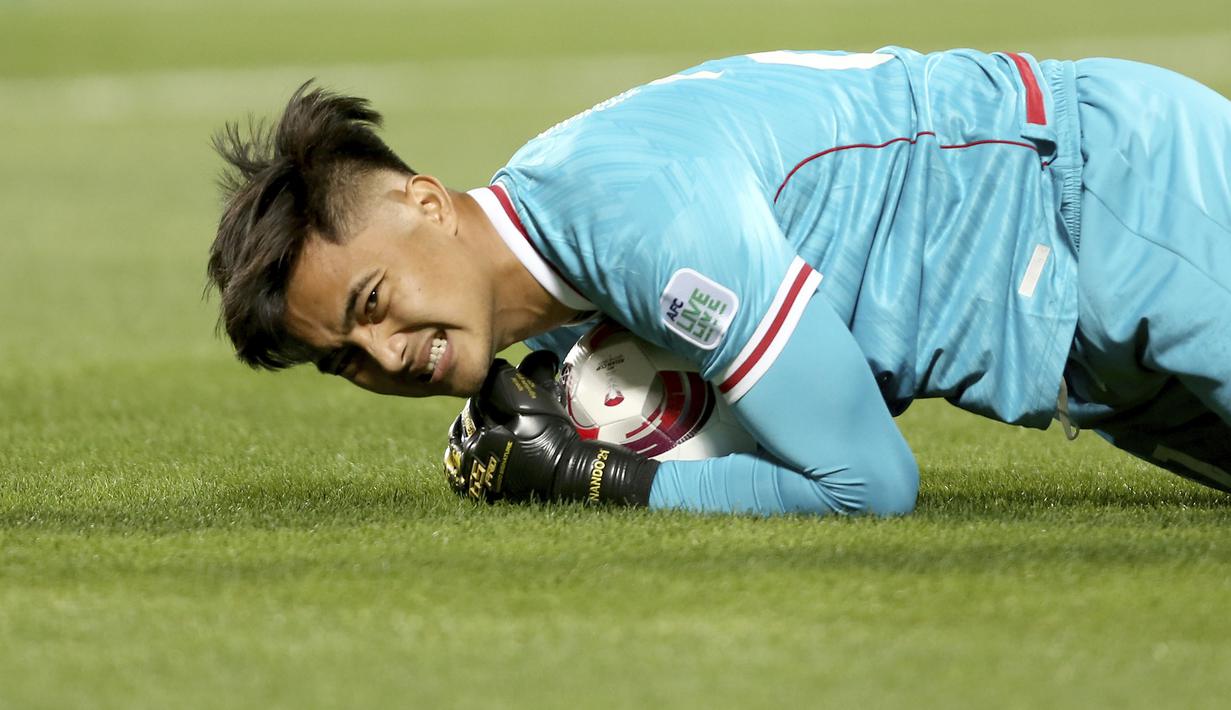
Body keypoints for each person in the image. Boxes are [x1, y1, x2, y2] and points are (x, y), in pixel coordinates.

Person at [206, 47, 1231, 516]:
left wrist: (597, 479)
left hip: (1121, 197)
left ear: (424, 202)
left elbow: (869, 484)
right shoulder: (561, 239)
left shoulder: (636, 216)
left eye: (371, 302)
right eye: (344, 359)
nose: (386, 355)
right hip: (1083, 332)